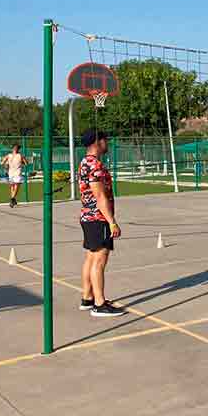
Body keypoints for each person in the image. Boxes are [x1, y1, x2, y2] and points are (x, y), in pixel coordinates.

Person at [77, 130, 126, 317]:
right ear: (98, 142)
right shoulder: (95, 165)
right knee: (99, 260)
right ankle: (99, 304)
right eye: (106, 140)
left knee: (90, 257)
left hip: (88, 217)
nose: (108, 143)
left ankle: (87, 298)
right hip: (98, 218)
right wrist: (112, 222)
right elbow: (99, 196)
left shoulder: (84, 162)